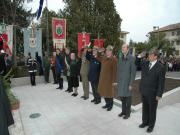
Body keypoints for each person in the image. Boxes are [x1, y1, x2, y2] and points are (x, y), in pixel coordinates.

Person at [139, 49, 165, 133]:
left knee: (152, 110)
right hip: (144, 90)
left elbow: (161, 82)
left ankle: (151, 126)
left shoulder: (160, 67)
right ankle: (144, 122)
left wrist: (159, 94)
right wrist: (139, 56)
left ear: (155, 56)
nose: (149, 56)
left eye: (151, 55)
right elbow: (137, 64)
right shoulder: (145, 63)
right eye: (149, 54)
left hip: (153, 93)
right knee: (145, 108)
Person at [115, 44, 136, 119]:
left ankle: (128, 113)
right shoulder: (120, 58)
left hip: (127, 82)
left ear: (128, 49)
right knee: (122, 97)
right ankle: (123, 111)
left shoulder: (131, 58)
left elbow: (133, 73)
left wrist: (131, 84)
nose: (122, 48)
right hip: (121, 82)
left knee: (128, 98)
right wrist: (117, 81)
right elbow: (118, 70)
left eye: (124, 47)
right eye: (122, 47)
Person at [97, 45, 117, 111]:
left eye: (109, 51)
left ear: (111, 52)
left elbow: (115, 71)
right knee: (104, 92)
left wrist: (114, 81)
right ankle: (107, 104)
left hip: (109, 80)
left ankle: (110, 106)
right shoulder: (104, 57)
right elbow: (98, 57)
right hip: (103, 79)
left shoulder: (114, 59)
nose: (108, 52)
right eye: (107, 50)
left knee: (109, 94)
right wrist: (99, 51)